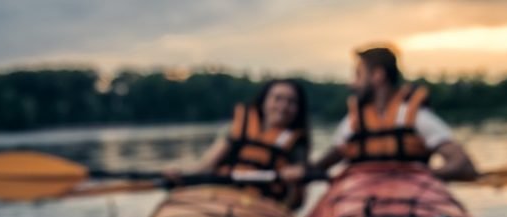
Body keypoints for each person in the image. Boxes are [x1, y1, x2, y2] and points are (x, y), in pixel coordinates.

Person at [302, 46, 478, 181]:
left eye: (358, 74)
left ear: (378, 75)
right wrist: (303, 172)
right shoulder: (353, 123)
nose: (352, 84)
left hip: (412, 197)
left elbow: (462, 164)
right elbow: (321, 167)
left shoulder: (416, 117)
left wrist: (422, 176)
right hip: (363, 198)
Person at [191, 78, 310, 208]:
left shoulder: (297, 145)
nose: (283, 106)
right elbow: (205, 166)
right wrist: (179, 176)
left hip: (261, 207)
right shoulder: (238, 130)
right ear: (264, 101)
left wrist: (294, 183)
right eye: (278, 99)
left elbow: (297, 203)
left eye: (291, 102)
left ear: (298, 109)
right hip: (221, 198)